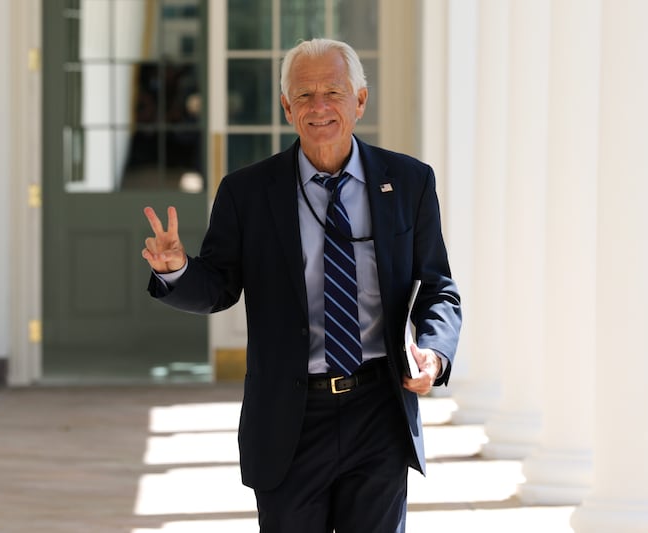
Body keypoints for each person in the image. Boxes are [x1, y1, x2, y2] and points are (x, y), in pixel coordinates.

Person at [141, 38, 462, 533]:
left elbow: (438, 287)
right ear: (287, 107)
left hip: (378, 409)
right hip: (290, 416)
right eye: (304, 95)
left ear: (360, 100)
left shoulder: (410, 181)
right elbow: (220, 286)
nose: (319, 107)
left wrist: (435, 355)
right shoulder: (247, 192)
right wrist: (176, 270)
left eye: (333, 92)